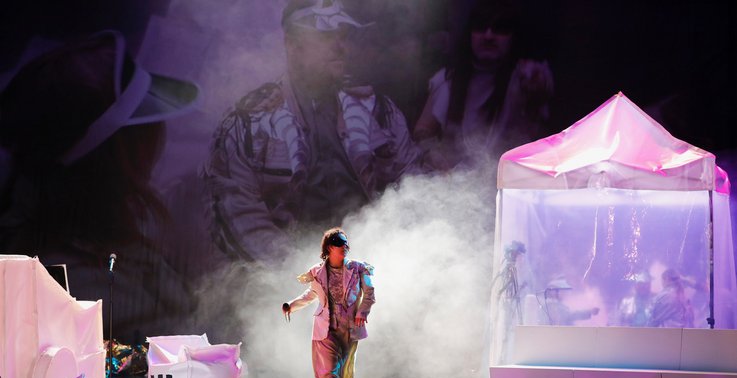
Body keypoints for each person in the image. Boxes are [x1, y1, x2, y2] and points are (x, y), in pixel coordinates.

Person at [0, 31, 199, 344]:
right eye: (145, 128)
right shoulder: (82, 289)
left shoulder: (90, 235)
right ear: (118, 155)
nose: (161, 139)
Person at [203, 0, 425, 263]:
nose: (340, 46)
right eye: (325, 35)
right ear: (292, 44)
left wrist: (390, 258)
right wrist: (296, 272)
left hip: (373, 268)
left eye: (343, 35)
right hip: (285, 277)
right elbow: (238, 218)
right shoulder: (246, 123)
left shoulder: (380, 113)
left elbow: (413, 189)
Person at [413, 0, 553, 168]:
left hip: (508, 177)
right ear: (469, 35)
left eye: (499, 29)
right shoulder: (446, 79)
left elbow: (540, 130)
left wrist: (536, 94)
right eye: (480, 28)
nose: (488, 36)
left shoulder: (526, 77)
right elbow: (423, 129)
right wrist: (431, 152)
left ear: (513, 37)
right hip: (452, 178)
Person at [282, 227, 375, 378]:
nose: (345, 247)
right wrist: (291, 305)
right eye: (340, 243)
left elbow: (369, 293)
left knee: (343, 369)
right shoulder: (317, 272)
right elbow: (310, 295)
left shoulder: (358, 268)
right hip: (325, 328)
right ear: (330, 247)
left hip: (349, 327)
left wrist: (362, 312)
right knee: (328, 369)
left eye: (346, 243)